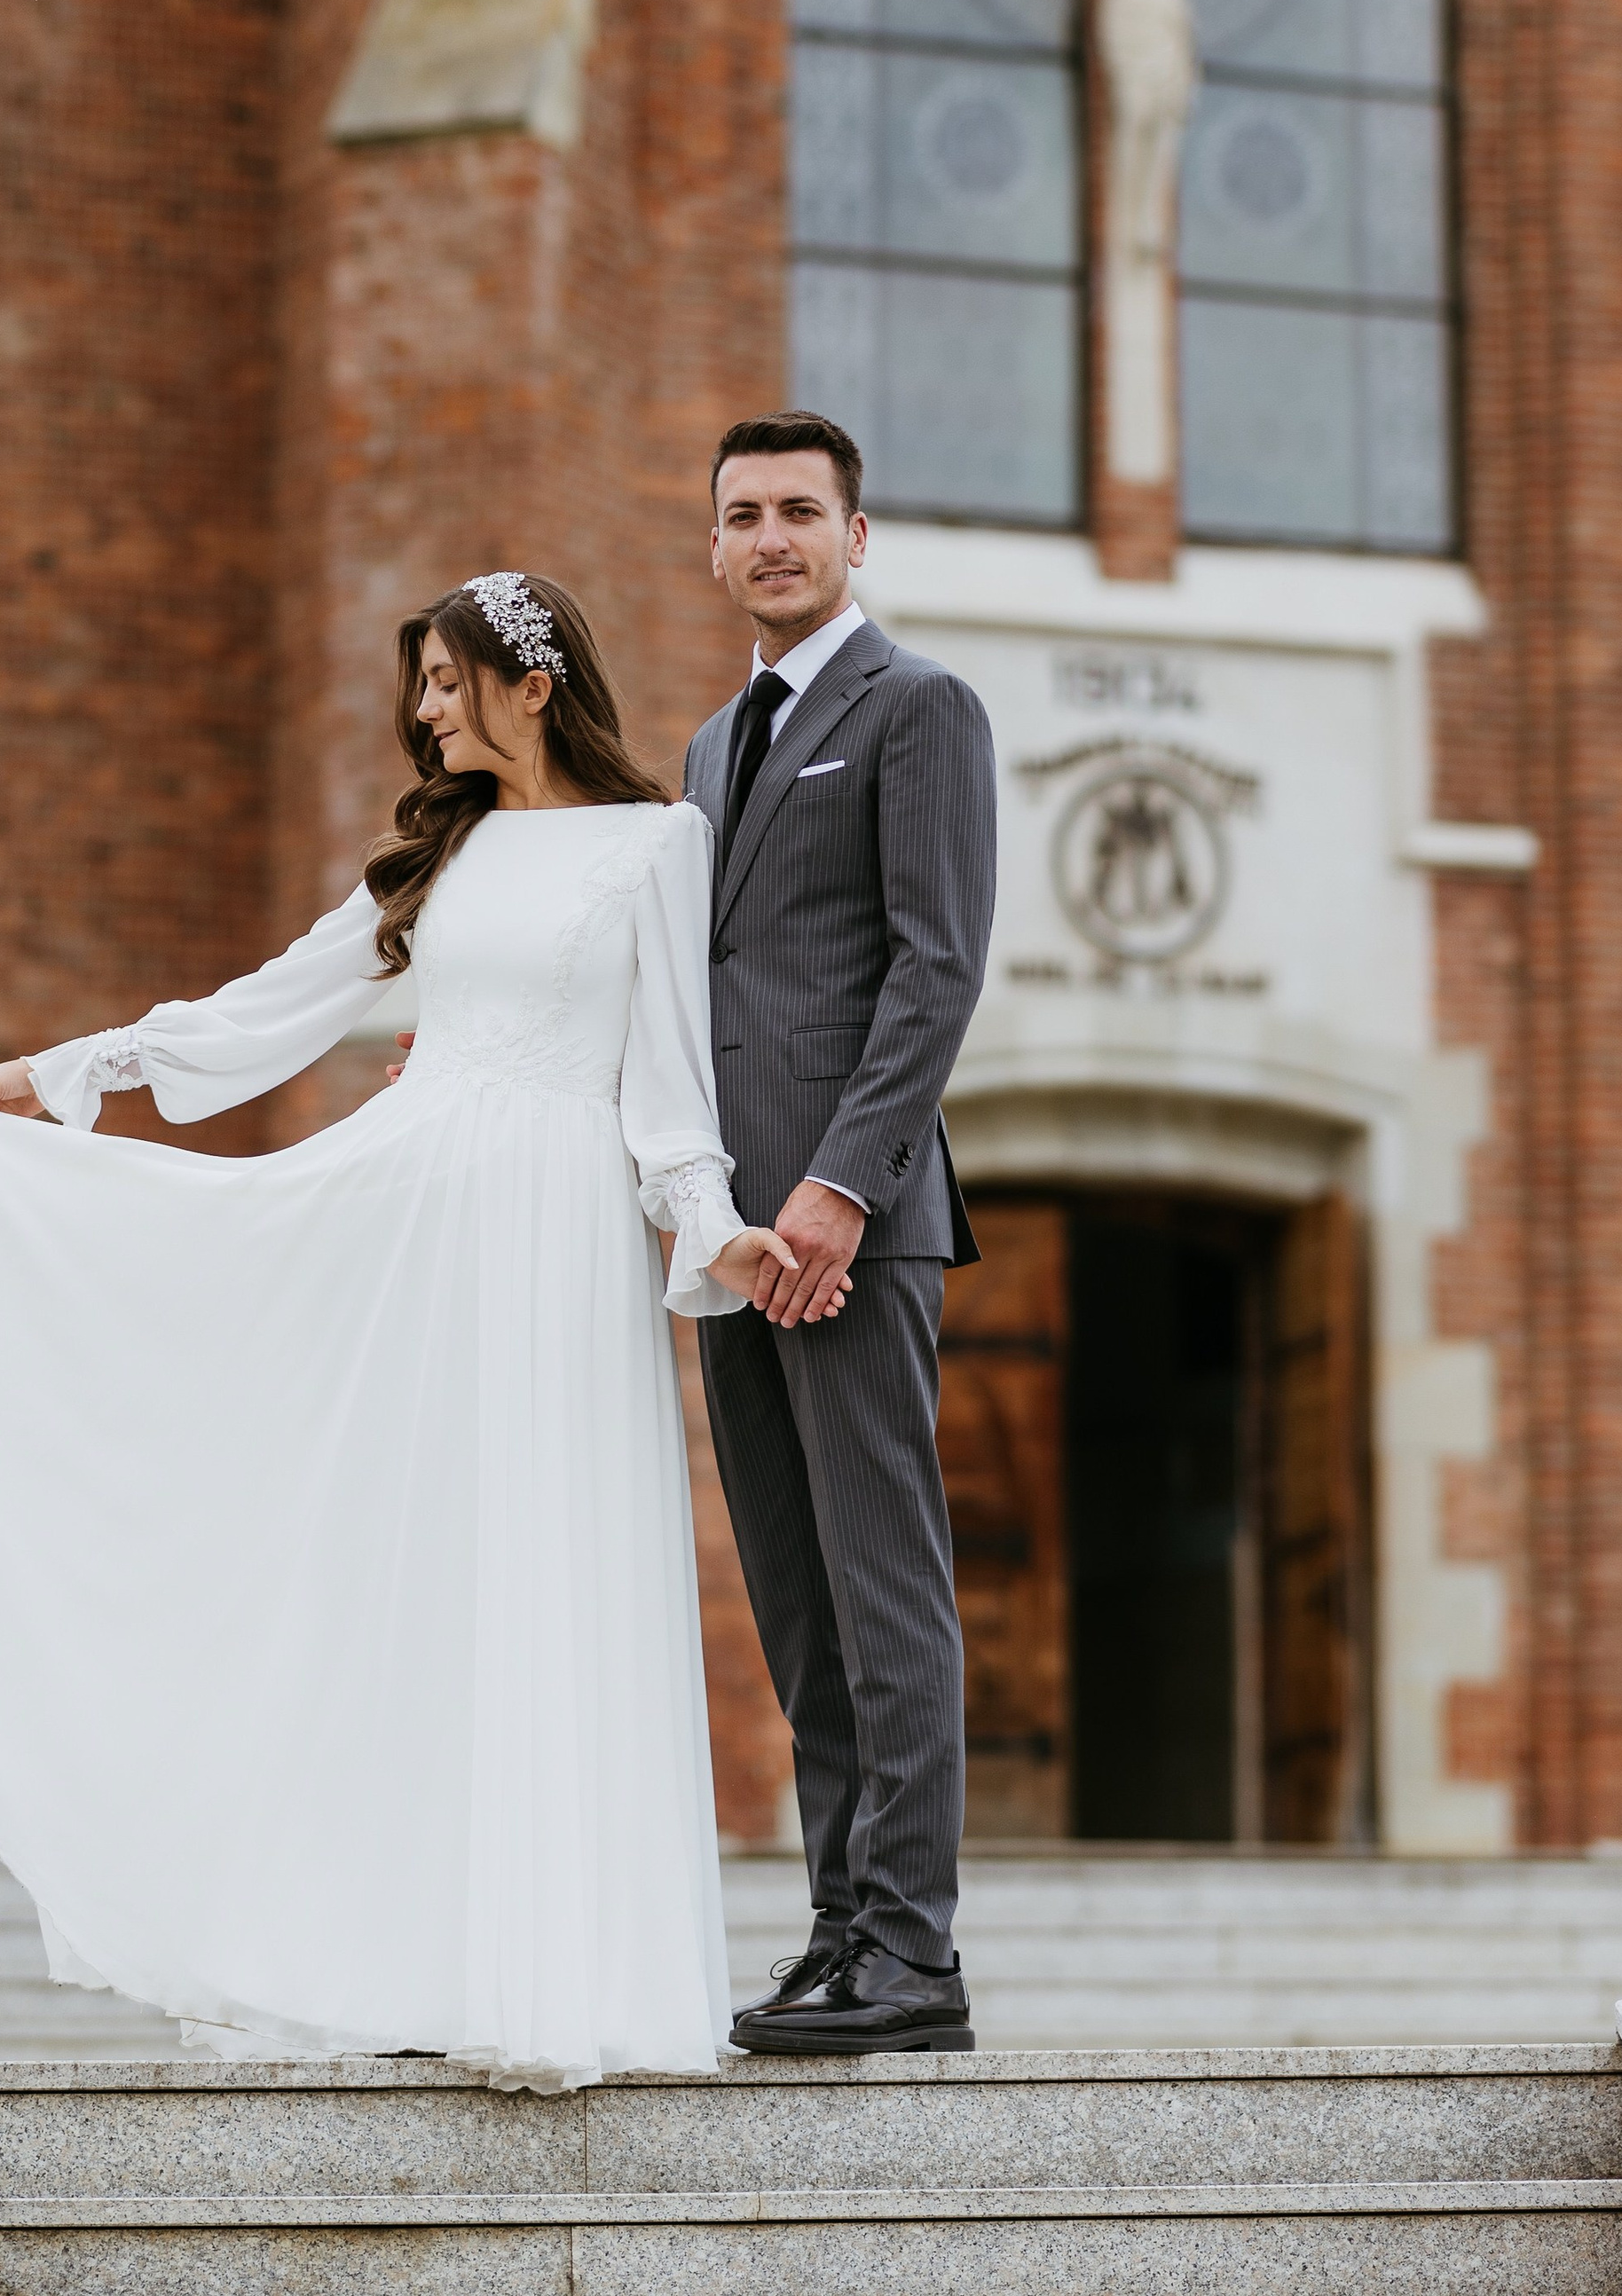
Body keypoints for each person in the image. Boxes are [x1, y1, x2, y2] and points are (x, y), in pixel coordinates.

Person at [0, 572, 813, 2095]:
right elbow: (281, 1004)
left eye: (447, 679)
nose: (426, 708)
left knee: (539, 1563)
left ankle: (548, 1972)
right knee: (410, 1568)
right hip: (412, 1214)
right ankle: (406, 1956)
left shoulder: (656, 842)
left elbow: (669, 1088)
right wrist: (73, 1067)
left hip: (556, 1232)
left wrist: (716, 1228)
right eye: (421, 683)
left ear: (531, 681)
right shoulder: (445, 854)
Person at [688, 411, 996, 2056]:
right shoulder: (702, 747)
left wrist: (842, 1183)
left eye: (801, 510)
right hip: (730, 1244)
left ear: (855, 534)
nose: (773, 538)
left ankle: (916, 1956)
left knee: (886, 1591)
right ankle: (836, 1933)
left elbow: (935, 968)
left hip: (852, 1232)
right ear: (716, 547)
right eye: (744, 516)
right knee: (797, 1606)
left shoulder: (919, 710)